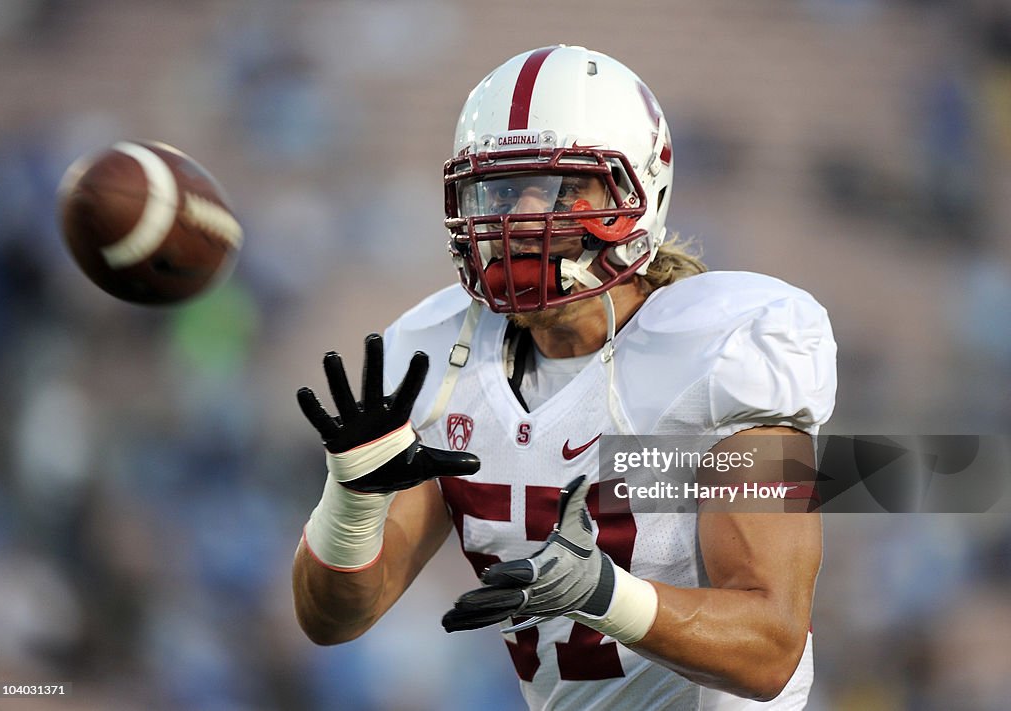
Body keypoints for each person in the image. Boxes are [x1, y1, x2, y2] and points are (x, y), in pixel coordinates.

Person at [292, 45, 837, 710]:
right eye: (495, 190)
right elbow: (335, 617)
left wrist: (604, 594)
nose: (515, 217)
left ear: (637, 189)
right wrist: (350, 505)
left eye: (553, 188)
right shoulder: (436, 356)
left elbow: (770, 647)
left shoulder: (725, 347)